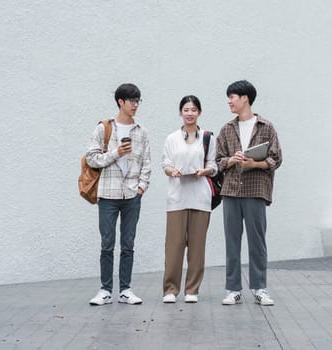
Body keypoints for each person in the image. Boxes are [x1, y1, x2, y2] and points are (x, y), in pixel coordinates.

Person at [215, 80, 282, 306]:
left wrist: (256, 164)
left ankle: (259, 288)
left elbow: (276, 158)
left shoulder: (266, 126)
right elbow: (218, 161)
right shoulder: (226, 129)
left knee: (257, 241)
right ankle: (233, 289)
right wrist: (231, 160)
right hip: (231, 191)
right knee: (232, 242)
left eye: (232, 97)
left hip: (256, 190)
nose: (229, 101)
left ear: (245, 98)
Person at [86, 83, 151, 306]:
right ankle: (105, 290)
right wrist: (116, 153)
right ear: (120, 102)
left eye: (138, 101)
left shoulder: (141, 131)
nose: (135, 105)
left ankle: (125, 290)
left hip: (132, 195)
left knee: (128, 244)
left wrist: (141, 187)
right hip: (107, 195)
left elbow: (147, 163)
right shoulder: (104, 128)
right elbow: (91, 158)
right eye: (132, 101)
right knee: (107, 243)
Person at [161, 95, 217, 304]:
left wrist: (206, 170)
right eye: (186, 109)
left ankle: (192, 289)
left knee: (197, 246)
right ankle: (170, 289)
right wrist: (171, 171)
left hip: (201, 198)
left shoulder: (208, 137)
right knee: (174, 245)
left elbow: (214, 164)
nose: (190, 113)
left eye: (194, 109)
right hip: (177, 198)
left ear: (199, 112)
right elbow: (165, 163)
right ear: (180, 113)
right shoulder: (172, 138)